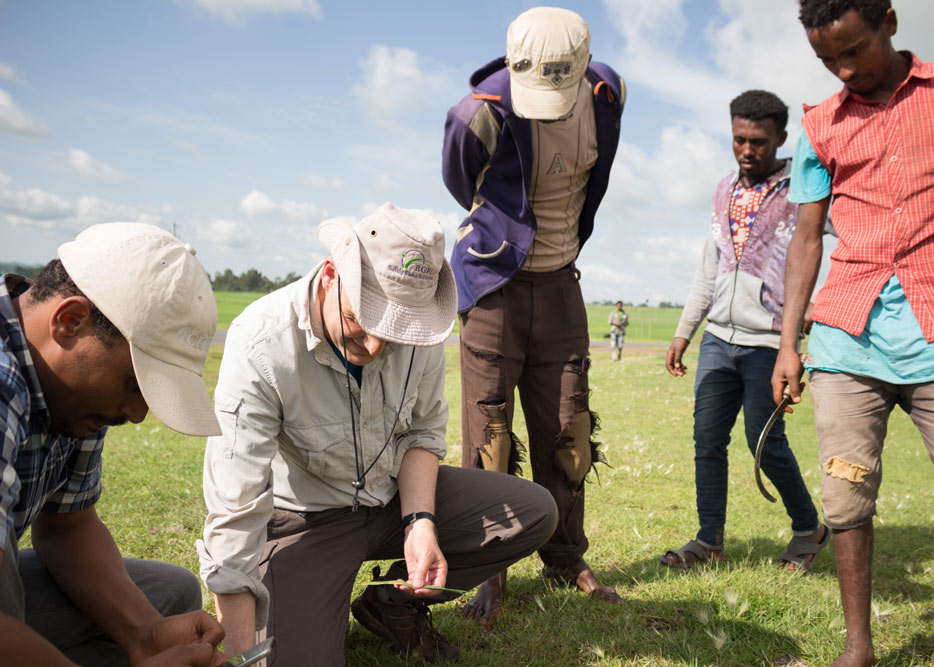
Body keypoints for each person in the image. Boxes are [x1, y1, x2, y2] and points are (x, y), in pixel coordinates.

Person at [198, 203, 557, 666]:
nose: (373, 346)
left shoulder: (418, 334)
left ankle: (392, 604)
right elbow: (235, 512)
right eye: (362, 321)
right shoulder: (260, 342)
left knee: (532, 511)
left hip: (391, 501)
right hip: (307, 523)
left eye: (393, 332)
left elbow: (423, 434)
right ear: (332, 275)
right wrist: (239, 656)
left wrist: (420, 523)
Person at [773, 1, 934, 665]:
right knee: (846, 496)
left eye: (854, 51)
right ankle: (858, 647)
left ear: (890, 24)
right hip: (848, 336)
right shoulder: (821, 124)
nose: (843, 70)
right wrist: (789, 342)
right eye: (826, 60)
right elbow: (807, 237)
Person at [441, 5, 627, 624]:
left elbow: (591, 183)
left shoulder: (607, 95)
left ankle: (566, 557)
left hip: (562, 288)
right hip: (494, 287)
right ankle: (488, 572)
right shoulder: (479, 114)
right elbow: (458, 180)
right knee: (488, 434)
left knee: (569, 429)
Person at [0, 223, 227, 666]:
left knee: (168, 593)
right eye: (133, 383)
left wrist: (143, 633)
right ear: (70, 322)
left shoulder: (70, 393)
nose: (137, 414)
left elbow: (69, 526)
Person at [661, 90, 829, 571]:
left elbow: (849, 237)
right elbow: (709, 266)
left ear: (780, 137)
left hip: (769, 344)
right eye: (739, 139)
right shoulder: (722, 190)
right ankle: (708, 540)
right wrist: (683, 332)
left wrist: (825, 302)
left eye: (758, 140)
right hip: (718, 339)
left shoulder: (804, 188)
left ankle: (808, 529)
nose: (747, 150)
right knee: (707, 440)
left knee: (764, 442)